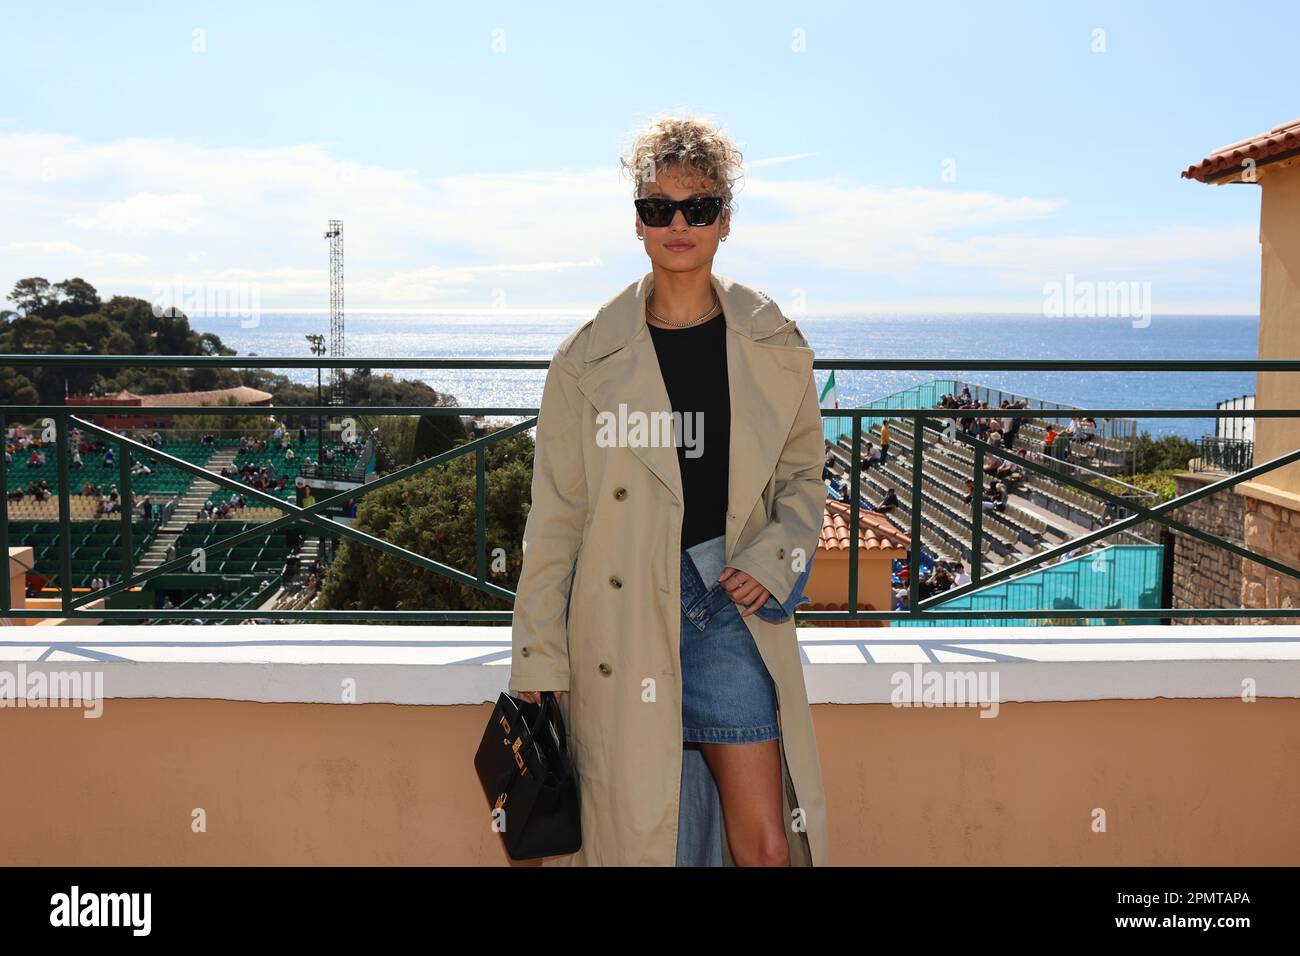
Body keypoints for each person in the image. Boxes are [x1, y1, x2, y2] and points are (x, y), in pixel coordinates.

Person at [509, 115, 828, 868]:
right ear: (639, 223)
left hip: (729, 605)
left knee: (765, 845)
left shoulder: (772, 342)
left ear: (725, 219)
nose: (678, 224)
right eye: (659, 208)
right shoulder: (586, 359)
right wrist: (535, 659)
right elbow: (555, 520)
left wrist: (775, 555)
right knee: (640, 846)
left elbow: (802, 475)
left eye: (698, 207)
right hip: (619, 617)